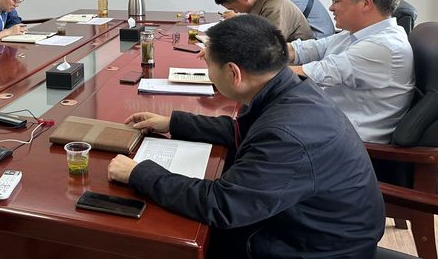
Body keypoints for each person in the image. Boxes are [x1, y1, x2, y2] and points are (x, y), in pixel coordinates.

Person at [107, 15, 384, 258]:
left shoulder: (287, 135)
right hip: (307, 222)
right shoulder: (290, 89)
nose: (208, 73)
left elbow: (223, 205)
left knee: (164, 238)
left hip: (313, 247)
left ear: (233, 73)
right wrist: (173, 122)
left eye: (209, 65)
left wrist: (139, 173)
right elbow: (246, 131)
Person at [289, 0, 414, 143]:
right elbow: (308, 49)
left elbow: (313, 73)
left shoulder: (382, 45)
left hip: (345, 141)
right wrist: (263, 51)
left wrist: (257, 69)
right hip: (326, 121)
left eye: (336, 0)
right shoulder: (355, 33)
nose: (331, 7)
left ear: (366, 3)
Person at [213, 0, 313, 41]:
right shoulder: (263, 3)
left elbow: (267, 46)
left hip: (296, 63)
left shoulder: (274, 8)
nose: (236, 11)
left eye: (233, 8)